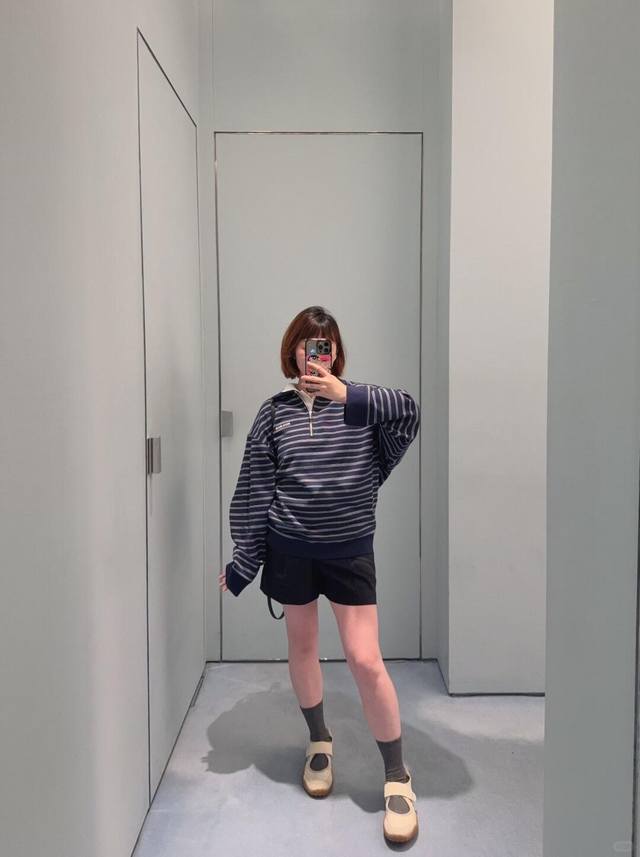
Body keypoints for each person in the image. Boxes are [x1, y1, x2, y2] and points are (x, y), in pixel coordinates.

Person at [218, 306, 420, 844]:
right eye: (308, 345)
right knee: (303, 648)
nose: (316, 355)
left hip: (349, 553)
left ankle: (398, 777)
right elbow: (256, 487)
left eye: (324, 346)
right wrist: (244, 561)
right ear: (293, 351)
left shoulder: (362, 409)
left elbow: (410, 411)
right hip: (291, 552)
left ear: (336, 353)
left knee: (365, 659)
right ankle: (319, 741)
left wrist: (344, 394)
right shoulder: (274, 413)